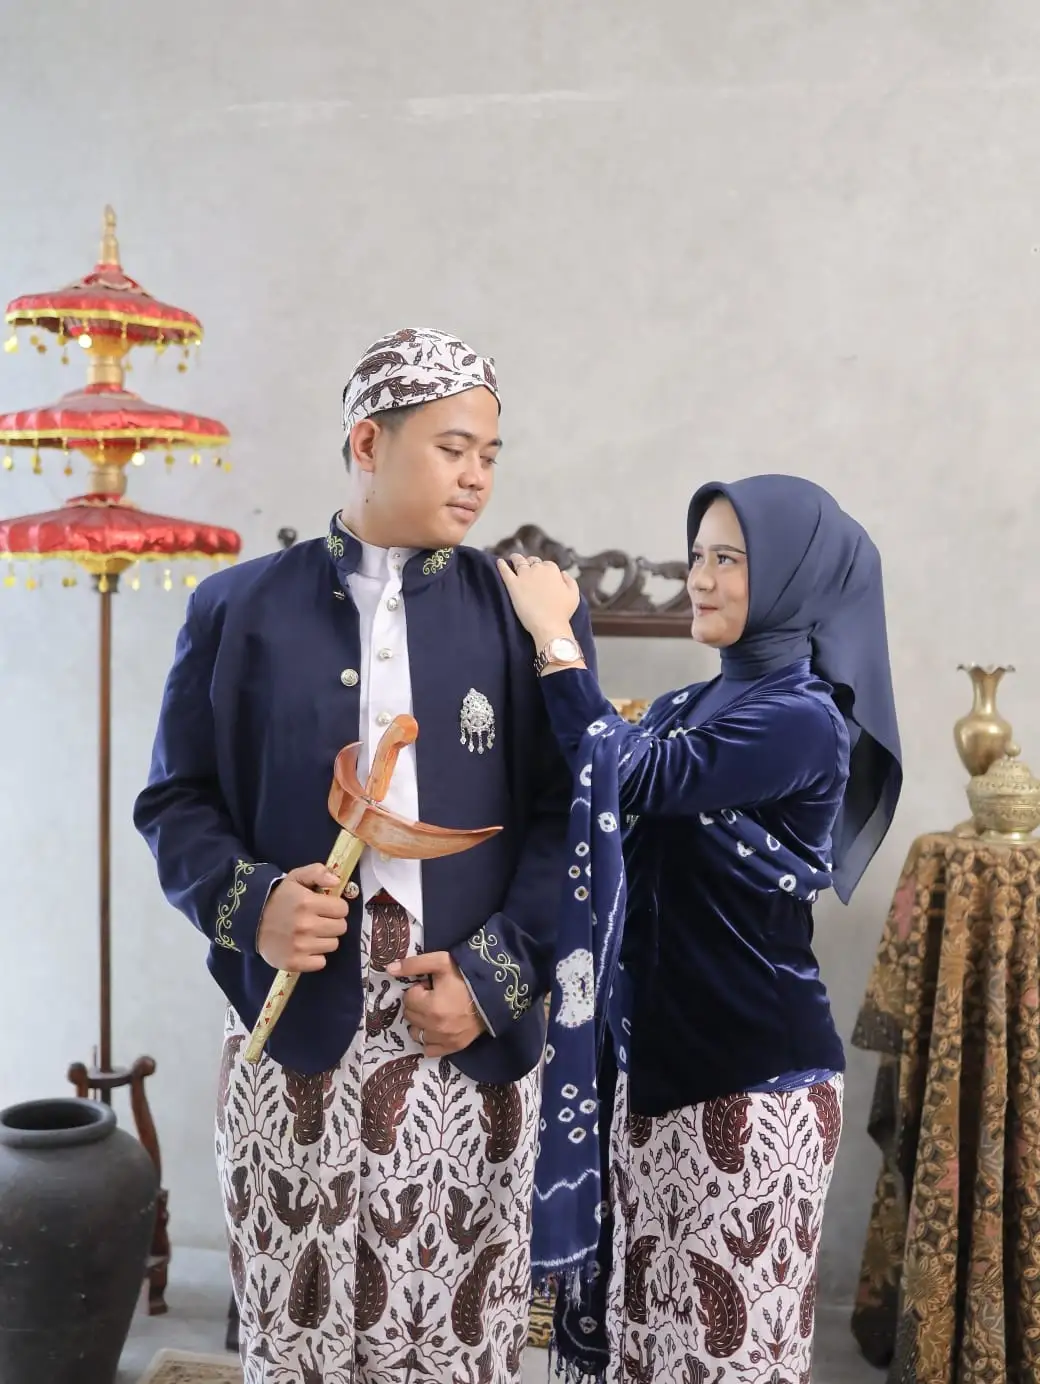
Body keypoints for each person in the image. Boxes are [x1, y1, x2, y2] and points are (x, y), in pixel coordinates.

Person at [133, 327, 596, 1384]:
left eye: (489, 454)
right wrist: (252, 904)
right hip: (292, 1024)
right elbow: (175, 801)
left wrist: (493, 978)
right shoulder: (236, 609)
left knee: (452, 1338)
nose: (477, 475)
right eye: (452, 448)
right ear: (367, 443)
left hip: (461, 1028)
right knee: (295, 1331)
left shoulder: (522, 615)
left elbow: (569, 819)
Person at [497, 475, 902, 1384]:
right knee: (642, 1350)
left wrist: (556, 640)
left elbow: (634, 776)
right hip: (651, 1078)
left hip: (751, 1089)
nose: (702, 579)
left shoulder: (804, 720)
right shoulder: (688, 706)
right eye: (697, 557)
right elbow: (607, 769)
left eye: (730, 559)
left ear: (794, 577)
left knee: (725, 1357)